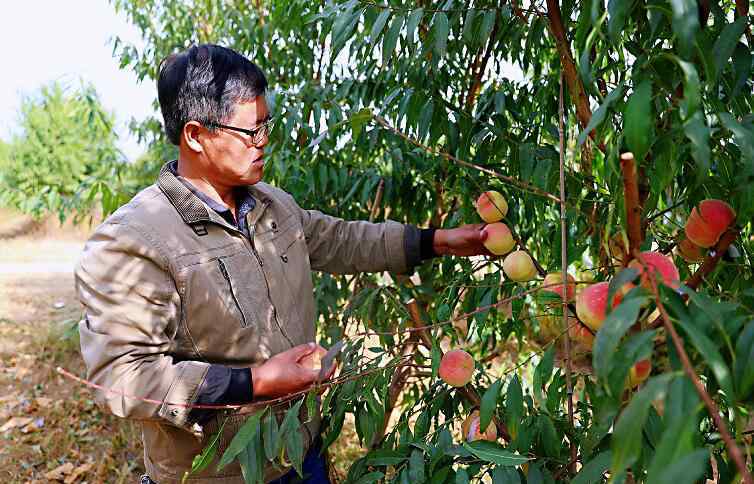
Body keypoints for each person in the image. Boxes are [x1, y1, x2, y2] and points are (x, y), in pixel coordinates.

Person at [75, 44, 490, 483]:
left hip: (299, 451)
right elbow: (123, 378)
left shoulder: (271, 206)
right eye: (250, 131)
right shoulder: (134, 241)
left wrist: (439, 242)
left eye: (266, 125)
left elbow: (341, 240)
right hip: (219, 474)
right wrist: (256, 382)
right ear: (195, 135)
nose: (264, 141)